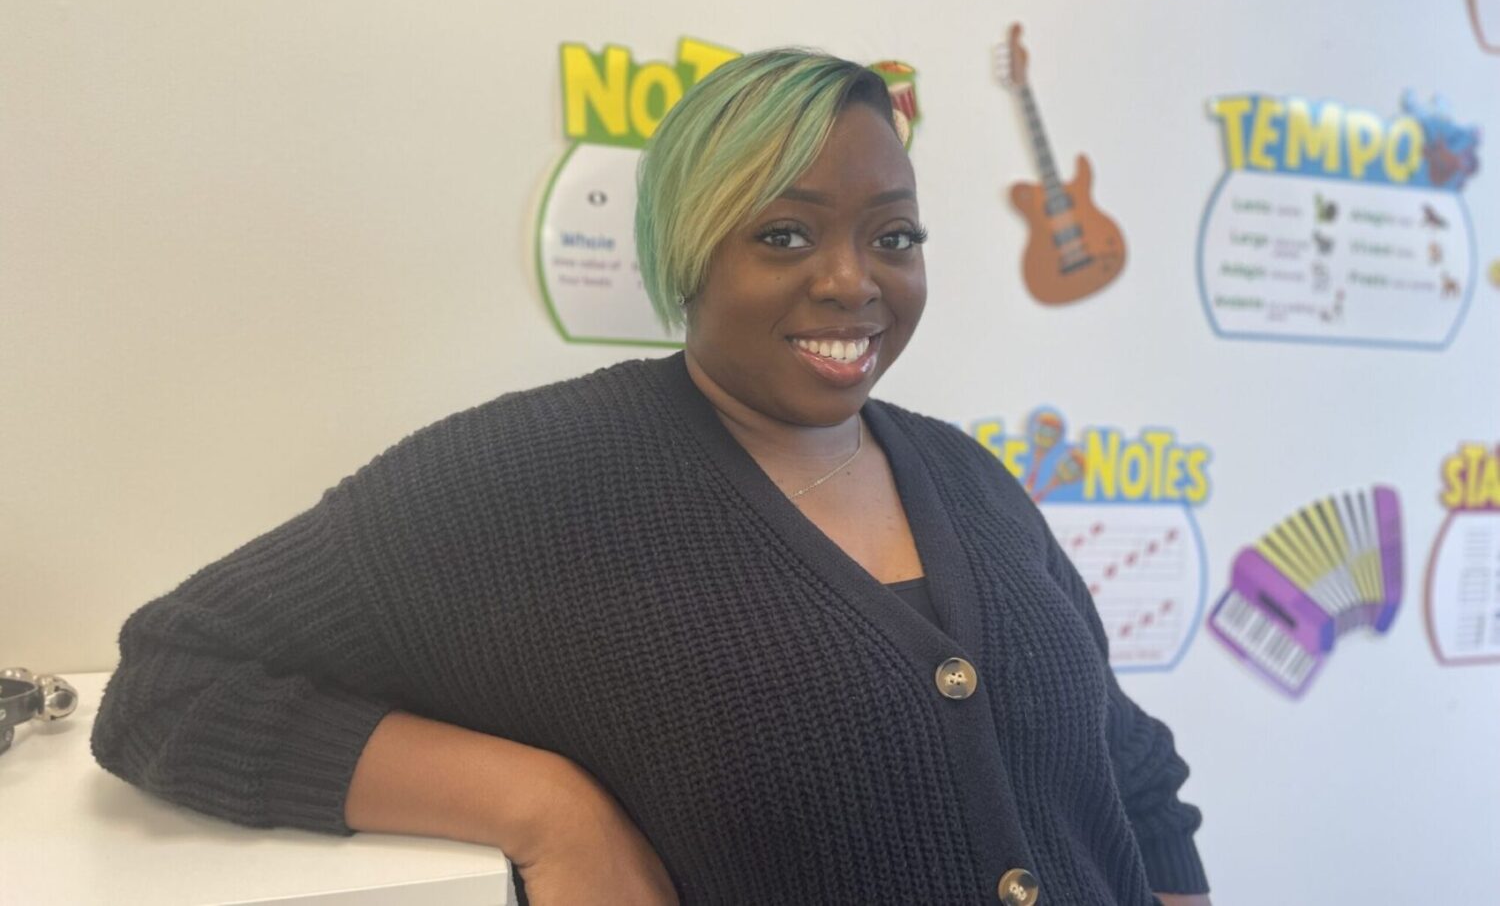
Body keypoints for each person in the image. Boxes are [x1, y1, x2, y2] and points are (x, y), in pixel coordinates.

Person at [92, 50, 1212, 905]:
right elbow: (175, 679)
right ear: (689, 250)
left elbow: (1128, 767)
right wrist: (547, 810)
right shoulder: (538, 478)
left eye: (894, 237)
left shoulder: (969, 480)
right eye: (784, 235)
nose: (851, 281)